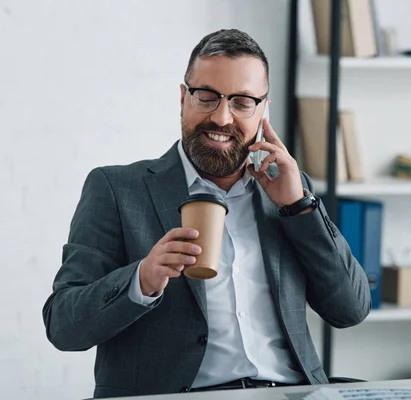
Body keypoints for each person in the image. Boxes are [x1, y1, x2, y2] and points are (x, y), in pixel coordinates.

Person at [42, 28, 371, 399]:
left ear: (264, 110)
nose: (222, 117)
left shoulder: (288, 191)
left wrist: (298, 206)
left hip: (288, 393)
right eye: (207, 97)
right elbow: (63, 326)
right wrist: (142, 279)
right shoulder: (118, 189)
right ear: (183, 98)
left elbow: (351, 310)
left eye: (243, 102)